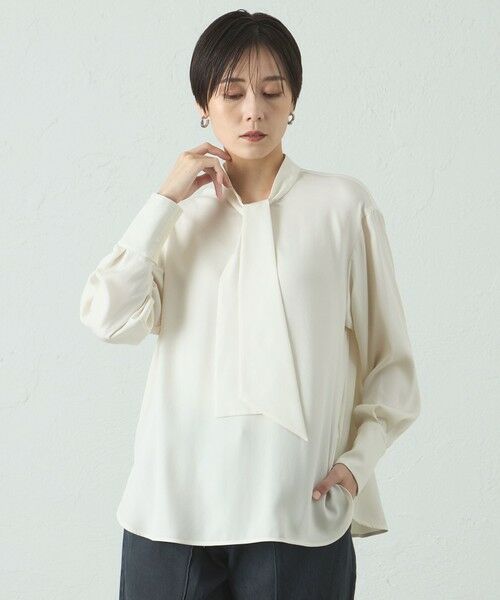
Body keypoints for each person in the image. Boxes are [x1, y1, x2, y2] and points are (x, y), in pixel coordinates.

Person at [80, 9, 421, 600]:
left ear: (294, 100)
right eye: (232, 93)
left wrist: (357, 464)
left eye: (271, 91)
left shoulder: (343, 206)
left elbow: (391, 363)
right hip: (170, 513)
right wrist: (163, 200)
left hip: (298, 511)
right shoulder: (177, 216)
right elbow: (107, 318)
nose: (253, 111)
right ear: (203, 104)